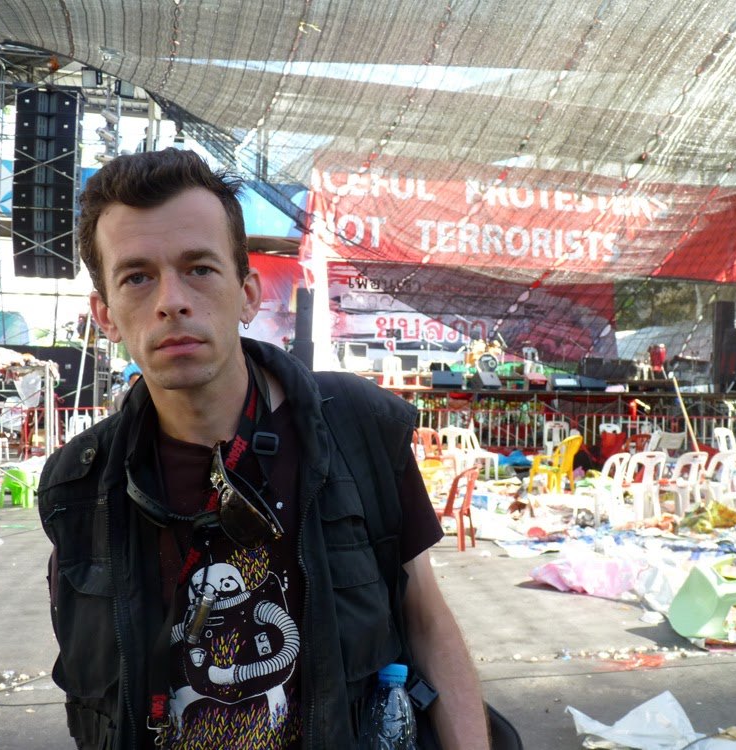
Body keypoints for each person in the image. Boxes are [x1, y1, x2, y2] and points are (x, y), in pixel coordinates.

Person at [38, 148, 489, 749]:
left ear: (248, 293)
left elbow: (427, 622)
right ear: (106, 314)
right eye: (137, 276)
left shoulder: (354, 427)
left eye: (199, 268)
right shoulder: (78, 483)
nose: (172, 299)